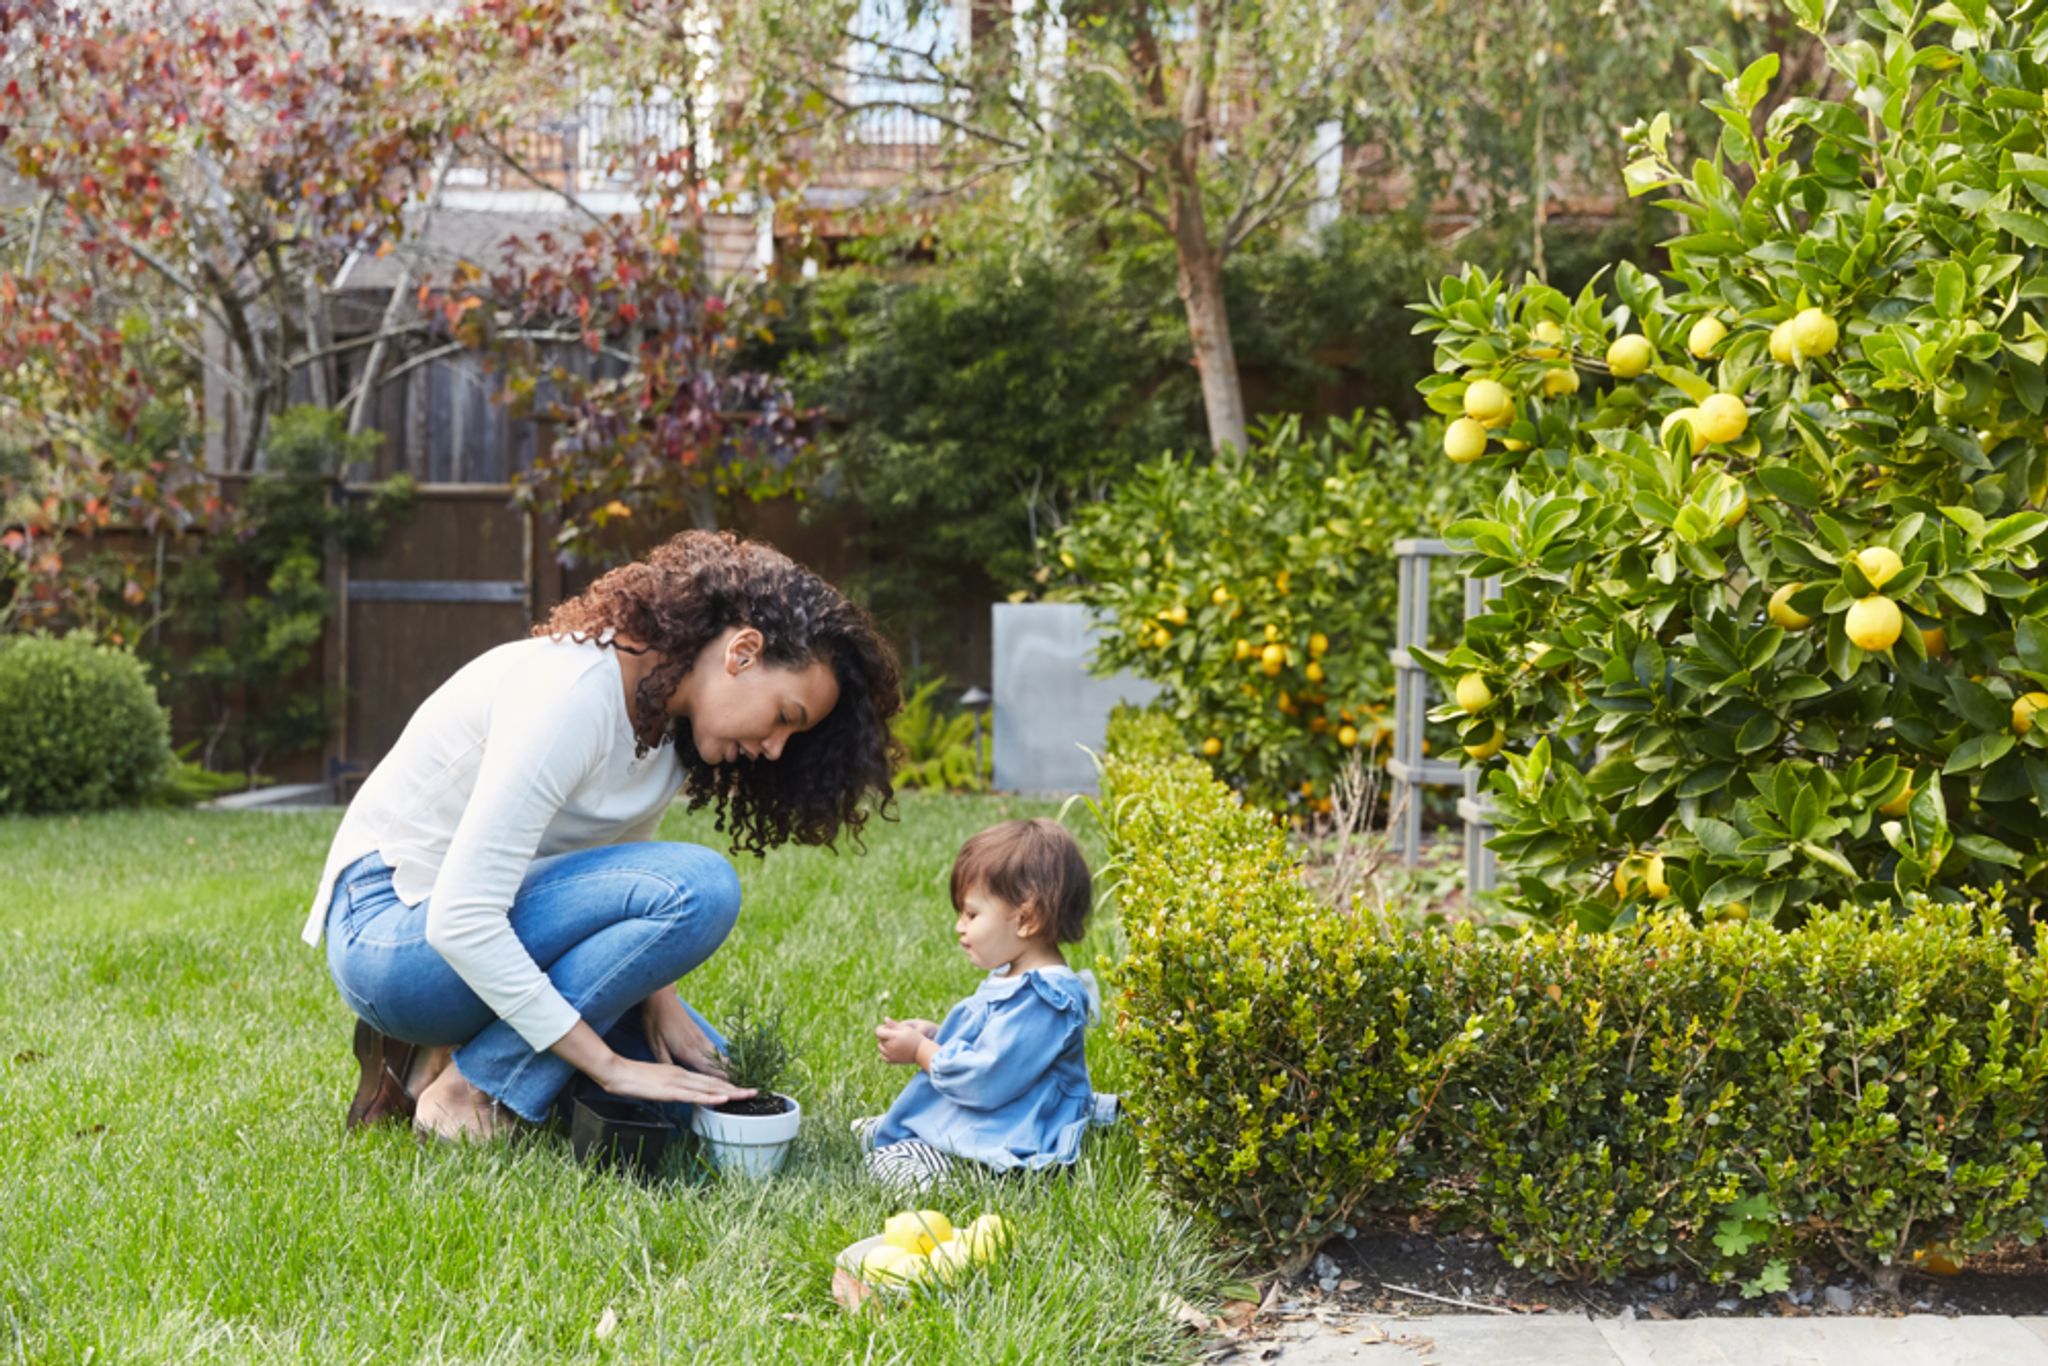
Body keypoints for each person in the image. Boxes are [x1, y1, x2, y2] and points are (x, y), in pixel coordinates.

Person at [305, 530, 901, 1142]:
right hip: (395, 940)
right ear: (743, 653)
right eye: (784, 717)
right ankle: (468, 1087)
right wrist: (611, 1067)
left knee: (707, 1099)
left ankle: (434, 1064)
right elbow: (461, 918)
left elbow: (616, 879)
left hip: (489, 935)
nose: (775, 750)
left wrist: (656, 995)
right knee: (702, 887)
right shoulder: (571, 696)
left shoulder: (667, 727)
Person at [857, 818, 1117, 1192]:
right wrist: (935, 1034)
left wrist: (920, 1051)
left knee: (888, 1164)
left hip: (1011, 1135)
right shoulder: (1017, 974)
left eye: (971, 914)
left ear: (1027, 918)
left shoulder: (1044, 998)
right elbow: (993, 1040)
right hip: (1002, 1110)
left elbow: (985, 1080)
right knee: (891, 1131)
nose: (959, 927)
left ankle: (948, 1171)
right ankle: (913, 1133)